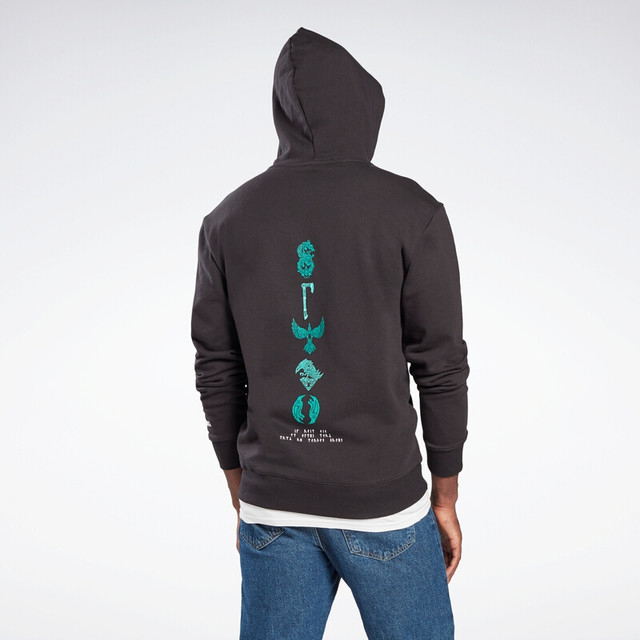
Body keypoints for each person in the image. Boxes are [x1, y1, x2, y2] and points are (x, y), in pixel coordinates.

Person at [191, 26, 470, 640]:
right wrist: (445, 496)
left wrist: (242, 487)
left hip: (273, 503)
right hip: (384, 505)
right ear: (365, 111)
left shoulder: (227, 219)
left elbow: (216, 367)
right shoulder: (413, 211)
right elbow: (442, 364)